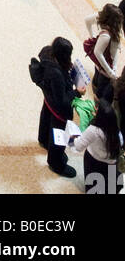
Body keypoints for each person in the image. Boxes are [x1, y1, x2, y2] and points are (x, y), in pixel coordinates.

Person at [32, 37, 79, 178]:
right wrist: (77, 92)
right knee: (59, 137)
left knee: (46, 120)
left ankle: (44, 140)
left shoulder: (46, 53)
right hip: (59, 111)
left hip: (48, 99)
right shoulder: (57, 74)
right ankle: (56, 163)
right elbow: (63, 101)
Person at [69, 100, 122, 194]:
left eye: (97, 109)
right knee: (111, 189)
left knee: (93, 188)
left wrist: (72, 139)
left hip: (94, 162)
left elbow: (78, 147)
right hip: (112, 163)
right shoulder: (117, 131)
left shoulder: (93, 131)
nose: (94, 109)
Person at [84, 4, 122, 102]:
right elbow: (97, 52)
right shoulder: (107, 36)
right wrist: (111, 72)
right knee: (101, 93)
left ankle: (95, 92)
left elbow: (87, 20)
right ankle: (97, 108)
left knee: (96, 81)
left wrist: (92, 36)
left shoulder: (101, 20)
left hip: (99, 66)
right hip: (106, 71)